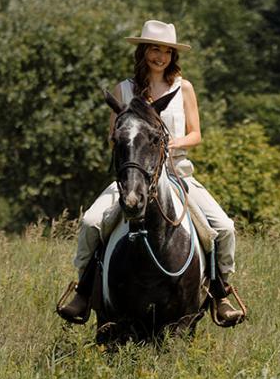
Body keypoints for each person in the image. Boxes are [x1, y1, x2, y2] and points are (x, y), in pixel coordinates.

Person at [57, 19, 245, 327]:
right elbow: (114, 136)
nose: (160, 57)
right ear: (143, 51)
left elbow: (196, 134)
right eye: (154, 49)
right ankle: (83, 291)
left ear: (173, 56)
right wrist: (137, 151)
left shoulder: (183, 88)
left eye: (167, 52)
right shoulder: (124, 90)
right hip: (134, 174)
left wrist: (168, 144)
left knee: (223, 228)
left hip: (178, 174)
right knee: (92, 222)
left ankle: (219, 293)